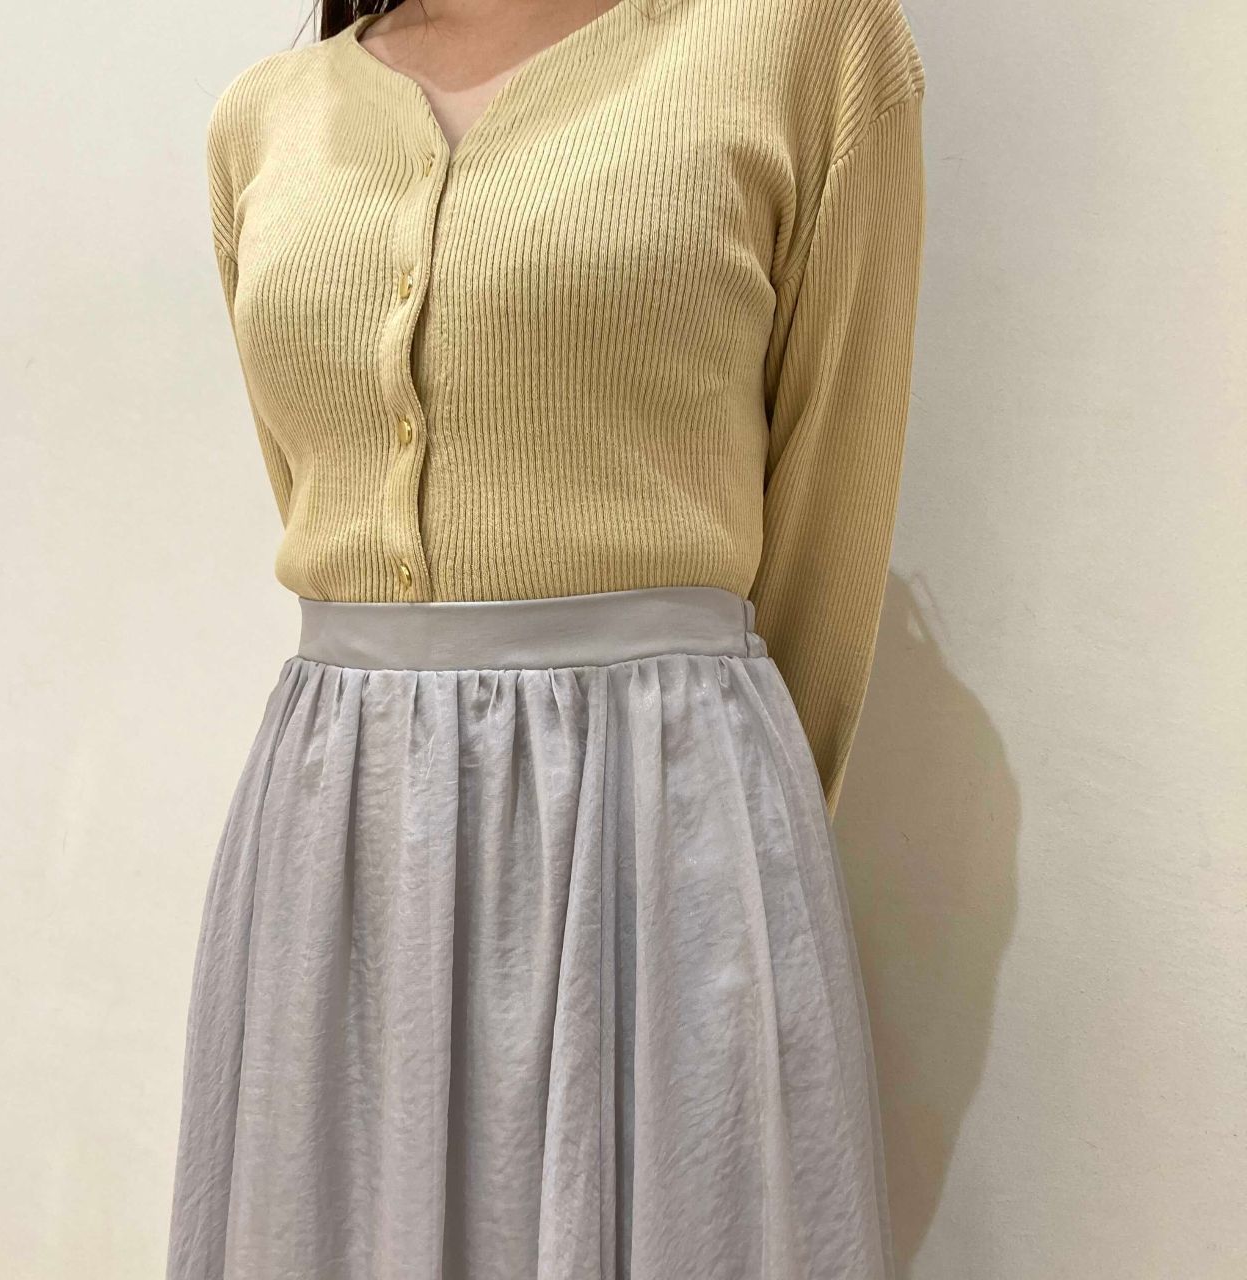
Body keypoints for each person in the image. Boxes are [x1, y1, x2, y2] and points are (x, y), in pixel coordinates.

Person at [166, 0, 926, 1275]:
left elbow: (828, 514)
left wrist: (725, 843)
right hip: (338, 827)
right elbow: (315, 499)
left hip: (658, 827)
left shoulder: (802, 41)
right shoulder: (264, 117)